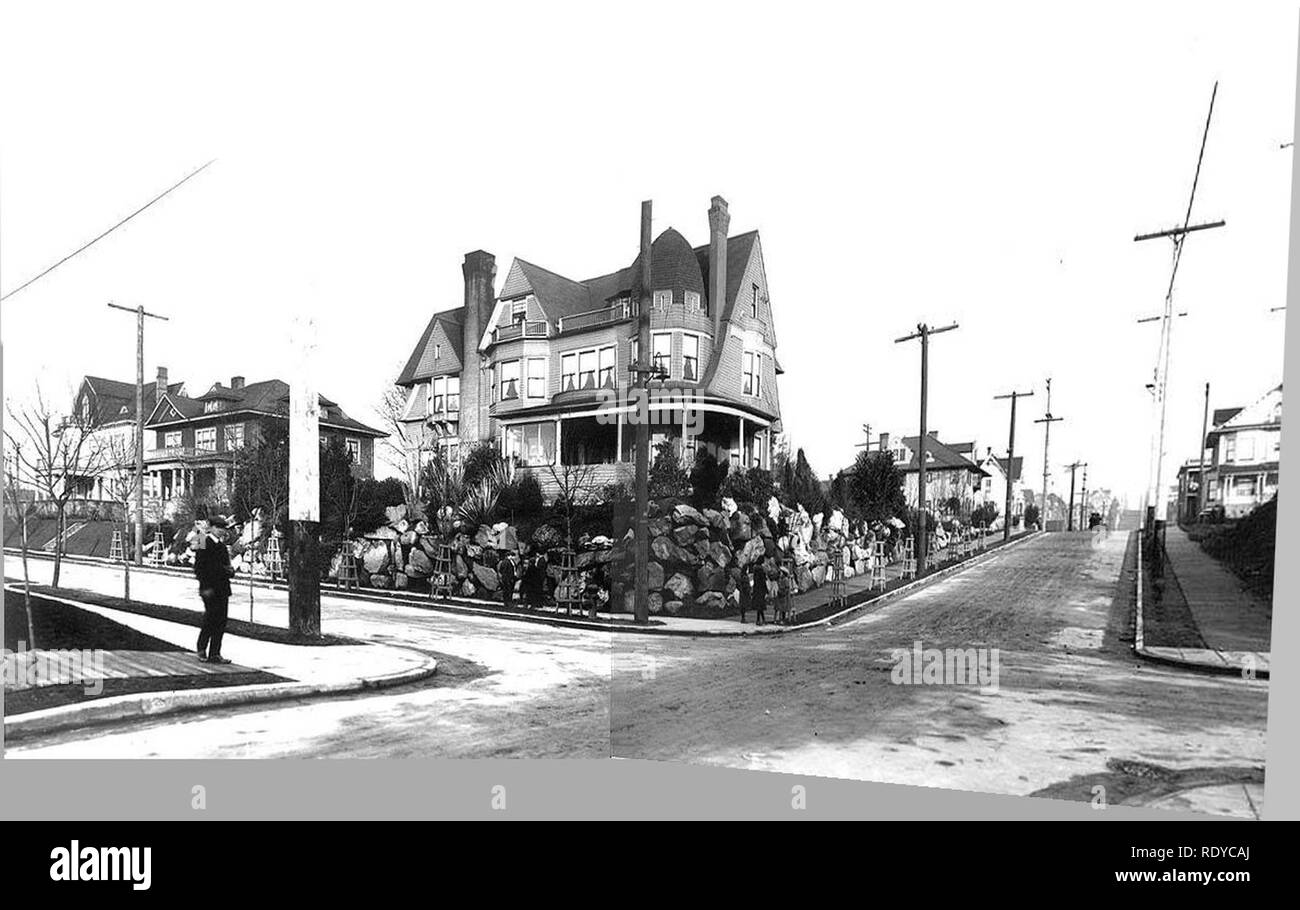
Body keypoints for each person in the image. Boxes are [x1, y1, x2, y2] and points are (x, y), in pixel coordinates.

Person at [194, 515, 236, 664]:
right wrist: (204, 587)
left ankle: (215, 653)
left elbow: (227, 567)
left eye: (223, 528)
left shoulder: (222, 546)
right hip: (209, 588)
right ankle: (201, 648)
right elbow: (199, 568)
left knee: (221, 621)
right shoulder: (202, 541)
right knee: (210, 618)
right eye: (218, 527)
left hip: (222, 588)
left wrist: (230, 571)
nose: (220, 531)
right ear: (210, 527)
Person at [750, 558, 767, 626]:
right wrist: (766, 590)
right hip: (761, 589)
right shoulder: (761, 570)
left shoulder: (755, 570)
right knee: (761, 605)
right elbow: (763, 581)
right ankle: (761, 619)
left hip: (756, 589)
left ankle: (760, 619)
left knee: (759, 606)